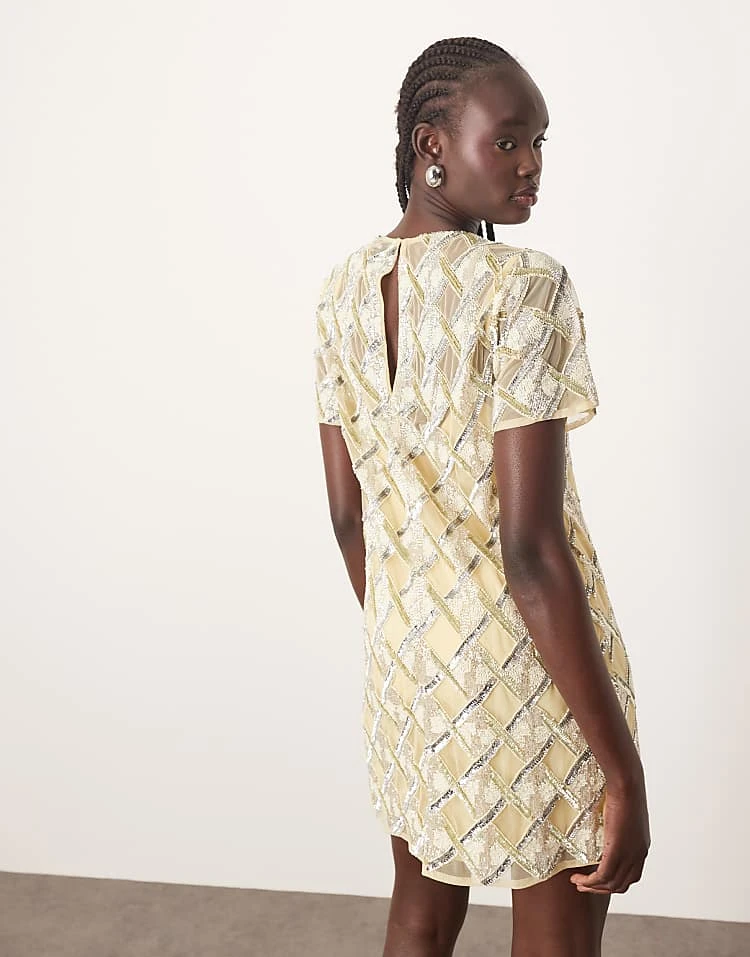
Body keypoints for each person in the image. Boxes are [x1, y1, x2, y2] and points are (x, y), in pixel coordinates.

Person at [312, 36, 650, 957]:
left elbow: (347, 517)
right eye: (506, 141)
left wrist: (422, 641)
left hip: (411, 673)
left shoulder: (340, 293)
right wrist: (622, 772)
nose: (531, 163)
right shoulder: (524, 288)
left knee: (418, 922)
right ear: (431, 144)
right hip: (539, 679)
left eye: (539, 141)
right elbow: (531, 551)